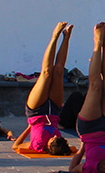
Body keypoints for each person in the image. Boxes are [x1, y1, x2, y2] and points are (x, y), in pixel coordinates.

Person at [68, 22, 105, 173]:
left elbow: (72, 169)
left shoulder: (91, 168)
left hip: (89, 130)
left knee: (96, 85)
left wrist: (81, 149)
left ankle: (97, 43)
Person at [12, 23, 74, 155]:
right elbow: (74, 149)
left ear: (49, 146)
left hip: (36, 112)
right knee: (58, 72)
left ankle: (55, 37)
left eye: (53, 140)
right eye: (58, 138)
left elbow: (15, 146)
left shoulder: (38, 145)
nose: (55, 137)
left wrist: (28, 128)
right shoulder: (60, 144)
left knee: (46, 73)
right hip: (55, 111)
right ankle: (66, 38)